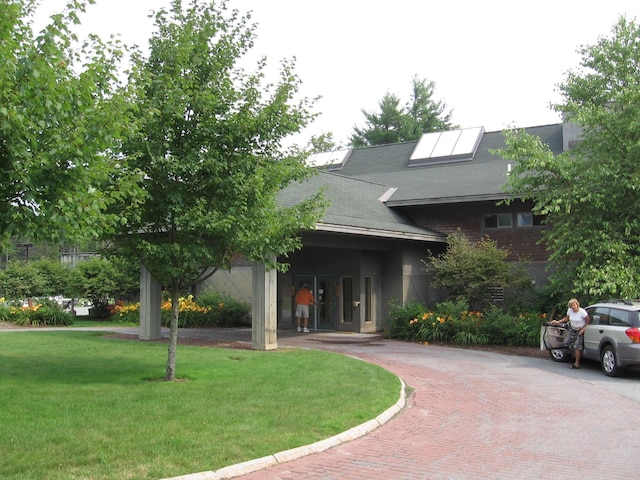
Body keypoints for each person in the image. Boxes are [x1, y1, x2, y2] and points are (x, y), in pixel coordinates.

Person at [551, 298, 590, 369]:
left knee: (577, 346)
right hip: (572, 329)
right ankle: (575, 355)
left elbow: (588, 321)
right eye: (571, 306)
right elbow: (566, 319)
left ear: (577, 305)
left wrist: (584, 329)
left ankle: (577, 363)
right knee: (566, 343)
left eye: (574, 305)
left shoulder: (582, 312)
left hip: (580, 330)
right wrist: (558, 322)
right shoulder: (570, 311)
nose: (573, 307)